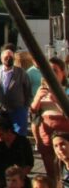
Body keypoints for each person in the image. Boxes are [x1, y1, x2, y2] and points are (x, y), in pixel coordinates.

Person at [30, 57, 69, 187]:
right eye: (48, 71)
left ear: (63, 73)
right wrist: (37, 98)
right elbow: (33, 112)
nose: (51, 74)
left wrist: (57, 100)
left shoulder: (67, 90)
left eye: (55, 70)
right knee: (50, 167)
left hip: (64, 133)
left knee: (64, 165)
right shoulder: (42, 89)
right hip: (46, 131)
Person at [0, 116, 35, 188]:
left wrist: (19, 175)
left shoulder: (23, 142)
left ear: (9, 131)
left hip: (17, 176)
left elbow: (29, 164)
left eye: (0, 134)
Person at [0, 44, 33, 135]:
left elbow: (28, 91)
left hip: (18, 110)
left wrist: (25, 107)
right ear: (1, 59)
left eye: (11, 57)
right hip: (0, 109)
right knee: (0, 134)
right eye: (6, 57)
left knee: (19, 135)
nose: (8, 59)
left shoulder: (21, 72)